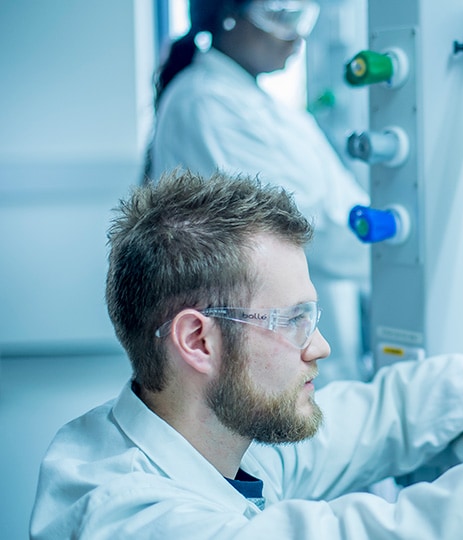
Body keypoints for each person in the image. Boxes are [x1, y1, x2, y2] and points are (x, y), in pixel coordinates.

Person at [29, 171, 463, 539]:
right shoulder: (130, 518)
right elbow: (427, 529)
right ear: (198, 341)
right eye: (295, 319)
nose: (321, 345)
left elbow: (394, 409)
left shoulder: (217, 436)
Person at [146, 0, 370, 382]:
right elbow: (295, 229)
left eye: (300, 17)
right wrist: (396, 247)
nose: (297, 34)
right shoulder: (207, 105)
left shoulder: (255, 102)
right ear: (228, 17)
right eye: (279, 16)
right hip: (261, 344)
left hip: (305, 331)